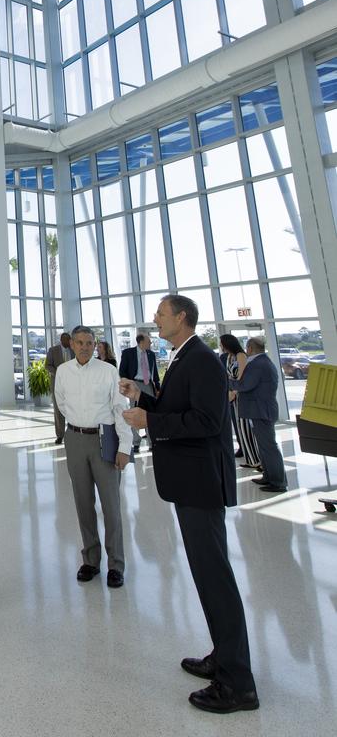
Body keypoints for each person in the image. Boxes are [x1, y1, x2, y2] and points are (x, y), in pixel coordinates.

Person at [120, 294, 258, 714]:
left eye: (161, 314)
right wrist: (142, 397)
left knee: (215, 578)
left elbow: (207, 421)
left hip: (200, 485)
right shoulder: (182, 357)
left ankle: (238, 684)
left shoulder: (201, 360)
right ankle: (224, 657)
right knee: (205, 575)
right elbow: (178, 407)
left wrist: (151, 422)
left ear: (181, 318)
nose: (156, 320)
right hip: (189, 484)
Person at [55, 325, 132, 588]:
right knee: (83, 504)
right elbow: (62, 403)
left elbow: (120, 408)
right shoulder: (63, 372)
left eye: (89, 342)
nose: (85, 347)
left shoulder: (108, 371)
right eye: (79, 342)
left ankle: (116, 565)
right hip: (75, 439)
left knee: (111, 505)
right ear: (72, 345)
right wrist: (78, 424)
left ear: (95, 344)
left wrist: (124, 447)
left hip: (104, 440)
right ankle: (91, 560)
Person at [236, 338, 287, 493]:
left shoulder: (258, 364)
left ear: (250, 348)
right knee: (264, 447)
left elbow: (245, 385)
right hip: (260, 410)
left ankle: (278, 482)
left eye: (247, 347)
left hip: (261, 411)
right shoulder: (263, 362)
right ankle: (269, 476)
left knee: (269, 447)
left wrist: (226, 381)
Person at [218, 334, 258, 466]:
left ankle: (255, 459)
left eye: (222, 343)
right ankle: (249, 457)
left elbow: (242, 376)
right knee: (239, 428)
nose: (221, 346)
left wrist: (234, 392)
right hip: (231, 395)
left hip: (240, 395)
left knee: (245, 426)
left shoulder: (241, 356)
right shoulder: (229, 357)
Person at [119, 332, 159, 453]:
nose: (150, 343)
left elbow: (154, 373)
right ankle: (136, 442)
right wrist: (128, 383)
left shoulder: (151, 354)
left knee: (151, 412)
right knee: (134, 412)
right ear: (141, 342)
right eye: (148, 341)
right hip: (135, 384)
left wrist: (157, 387)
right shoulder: (128, 353)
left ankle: (152, 442)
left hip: (149, 385)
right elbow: (122, 370)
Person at [45, 332, 73, 445]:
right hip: (57, 384)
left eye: (70, 340)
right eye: (67, 340)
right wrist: (60, 373)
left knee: (73, 408)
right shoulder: (53, 350)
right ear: (62, 340)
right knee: (58, 410)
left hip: (72, 384)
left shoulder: (73, 350)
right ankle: (60, 435)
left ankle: (72, 434)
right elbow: (47, 365)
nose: (69, 342)